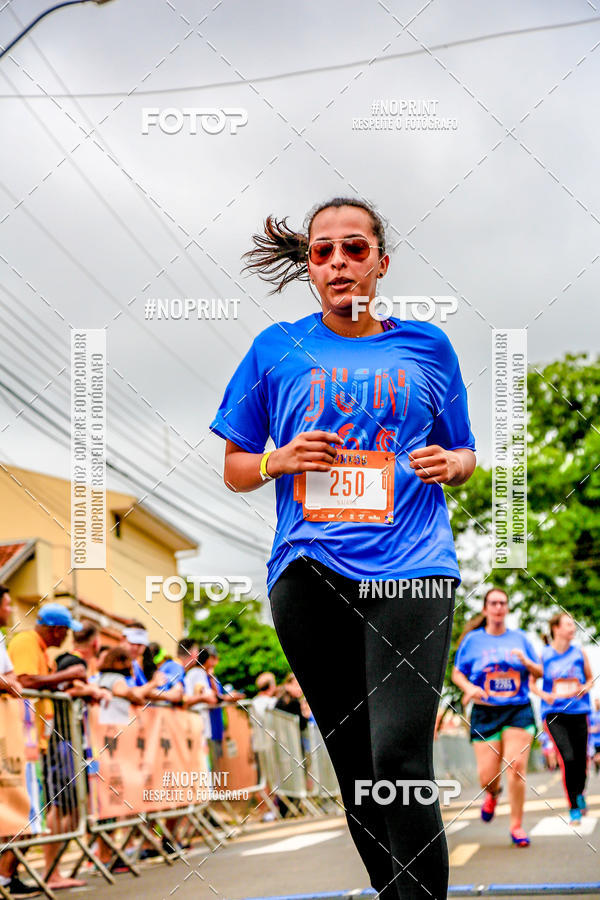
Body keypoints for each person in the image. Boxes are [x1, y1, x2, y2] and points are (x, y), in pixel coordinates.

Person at [210, 197, 477, 899]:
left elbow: (464, 449)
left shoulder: (427, 347)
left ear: (381, 263)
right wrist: (280, 458)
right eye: (323, 251)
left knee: (398, 758)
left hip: (413, 565)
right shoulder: (276, 349)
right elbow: (236, 466)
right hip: (310, 572)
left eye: (354, 248)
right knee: (357, 770)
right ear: (309, 266)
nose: (338, 262)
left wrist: (452, 465)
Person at [451, 588, 542, 847]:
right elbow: (457, 673)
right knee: (487, 778)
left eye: (503, 603)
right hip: (485, 711)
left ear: (508, 608)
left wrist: (527, 663)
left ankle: (517, 826)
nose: (499, 607)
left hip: (517, 709)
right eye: (493, 603)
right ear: (485, 609)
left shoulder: (520, 638)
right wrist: (470, 688)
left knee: (516, 766)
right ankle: (492, 793)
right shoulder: (473, 641)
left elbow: (540, 671)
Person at [8, 603, 88, 890]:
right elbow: (25, 681)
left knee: (34, 813)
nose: (67, 637)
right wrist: (67, 675)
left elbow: (43, 685)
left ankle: (13, 876)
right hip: (21, 740)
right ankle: (14, 876)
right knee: (30, 813)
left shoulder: (41, 650)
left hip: (36, 741)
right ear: (56, 630)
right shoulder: (26, 642)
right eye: (66, 631)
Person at [529, 612, 593, 824]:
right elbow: (531, 683)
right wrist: (544, 695)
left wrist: (584, 687)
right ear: (556, 628)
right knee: (568, 758)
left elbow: (590, 679)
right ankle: (573, 806)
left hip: (579, 711)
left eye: (573, 625)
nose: (573, 628)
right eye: (568, 624)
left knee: (581, 761)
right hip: (554, 714)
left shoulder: (579, 652)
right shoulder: (545, 655)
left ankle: (580, 792)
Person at [0, 585, 40, 898]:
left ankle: (6, 876)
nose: (11, 609)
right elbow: (12, 682)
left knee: (18, 809)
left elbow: (12, 679)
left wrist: (8, 682)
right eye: (7, 604)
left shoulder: (1, 639)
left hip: (10, 736)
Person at [590, 697, 600, 775]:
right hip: (593, 740)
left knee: (597, 756)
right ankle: (597, 767)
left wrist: (589, 729)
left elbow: (598, 728)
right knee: (594, 756)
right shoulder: (592, 714)